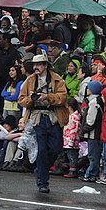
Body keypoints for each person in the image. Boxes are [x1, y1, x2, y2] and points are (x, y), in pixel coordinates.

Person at [18, 54, 68, 193]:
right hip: (36, 118)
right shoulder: (29, 81)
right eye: (34, 64)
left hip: (53, 116)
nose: (36, 67)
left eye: (39, 64)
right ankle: (42, 182)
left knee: (56, 147)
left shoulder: (57, 80)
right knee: (42, 150)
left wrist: (47, 96)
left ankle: (40, 170)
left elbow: (63, 98)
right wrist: (32, 99)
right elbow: (21, 99)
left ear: (45, 65)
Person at [80, 80, 103, 182]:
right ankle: (92, 173)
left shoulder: (94, 103)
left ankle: (91, 174)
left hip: (93, 133)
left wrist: (83, 130)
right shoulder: (97, 101)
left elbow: (91, 120)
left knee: (93, 155)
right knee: (94, 154)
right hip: (95, 132)